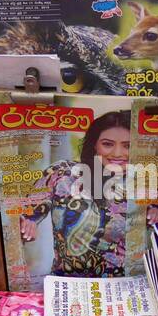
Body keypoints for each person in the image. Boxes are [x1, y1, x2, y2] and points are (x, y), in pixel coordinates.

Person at [20, 110, 130, 277]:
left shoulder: (147, 186)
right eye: (107, 144)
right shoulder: (62, 173)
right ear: (94, 144)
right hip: (66, 285)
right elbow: (26, 213)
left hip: (122, 287)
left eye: (127, 146)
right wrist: (27, 223)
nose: (117, 153)